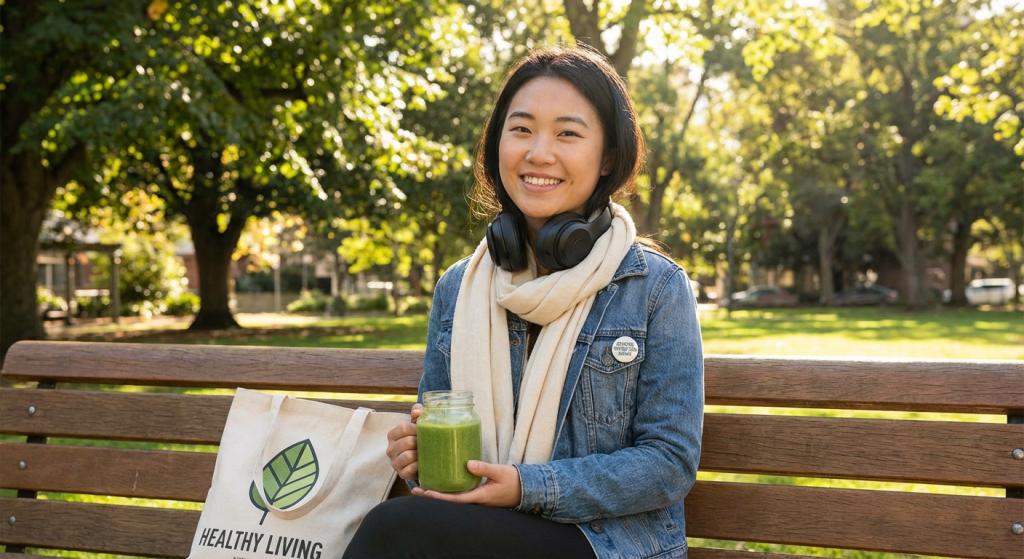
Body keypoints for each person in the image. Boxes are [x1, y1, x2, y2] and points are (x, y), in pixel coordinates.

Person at [344, 45, 704, 559]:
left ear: (606, 157)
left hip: (609, 544)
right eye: (521, 129)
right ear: (497, 146)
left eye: (567, 133)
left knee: (397, 529)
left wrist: (525, 487)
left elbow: (668, 462)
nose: (538, 153)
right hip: (483, 532)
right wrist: (417, 454)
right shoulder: (459, 287)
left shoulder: (655, 287)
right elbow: (438, 416)